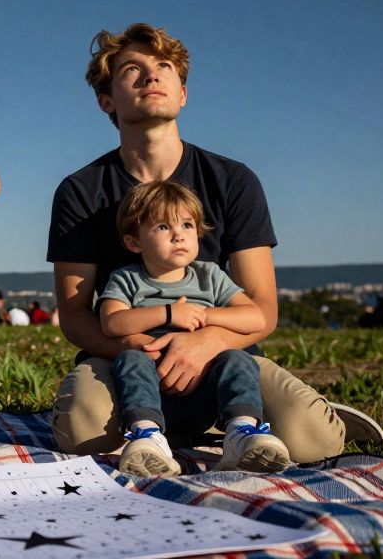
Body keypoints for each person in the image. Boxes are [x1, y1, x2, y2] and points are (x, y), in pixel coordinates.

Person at [48, 22, 382, 463]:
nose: (152, 76)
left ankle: (285, 414)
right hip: (125, 356)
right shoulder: (81, 191)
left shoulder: (233, 181)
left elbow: (262, 307)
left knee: (312, 442)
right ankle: (173, 424)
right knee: (81, 434)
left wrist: (206, 343)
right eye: (132, 69)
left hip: (223, 353)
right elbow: (74, 314)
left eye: (164, 67)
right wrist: (135, 349)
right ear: (106, 99)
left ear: (182, 94)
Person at [100, 181, 289, 475]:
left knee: (238, 359)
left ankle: (241, 433)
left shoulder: (209, 276)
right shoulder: (127, 279)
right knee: (130, 360)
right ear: (134, 242)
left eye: (188, 225)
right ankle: (147, 436)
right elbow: (112, 322)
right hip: (152, 386)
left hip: (207, 387)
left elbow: (255, 318)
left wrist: (205, 316)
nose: (179, 235)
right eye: (163, 227)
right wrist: (168, 313)